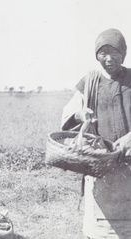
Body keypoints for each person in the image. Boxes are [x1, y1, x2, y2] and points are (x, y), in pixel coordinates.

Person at [61, 28, 131, 238]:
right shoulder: (90, 81)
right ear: (96, 55)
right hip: (100, 165)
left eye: (115, 52)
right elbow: (70, 114)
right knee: (100, 228)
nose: (109, 58)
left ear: (124, 52)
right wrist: (80, 116)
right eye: (103, 53)